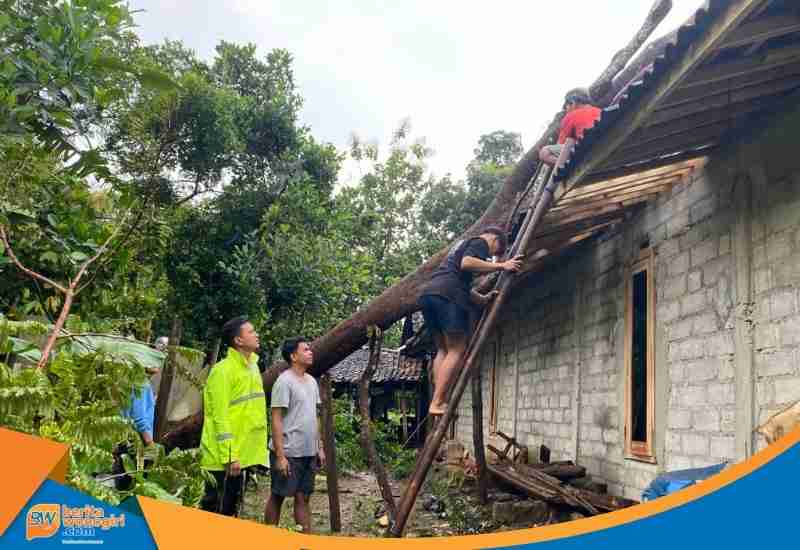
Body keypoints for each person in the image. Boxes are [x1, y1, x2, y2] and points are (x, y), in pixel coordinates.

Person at [418, 226, 523, 416]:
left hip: (430, 294)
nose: (490, 255)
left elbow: (459, 281)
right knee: (457, 349)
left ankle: (438, 398)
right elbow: (467, 264)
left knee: (443, 349)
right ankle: (438, 401)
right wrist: (502, 265)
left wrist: (482, 300)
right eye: (494, 251)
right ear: (494, 239)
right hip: (448, 297)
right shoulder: (480, 242)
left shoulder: (458, 247)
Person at [199, 316, 267, 517]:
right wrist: (230, 456)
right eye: (251, 332)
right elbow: (219, 417)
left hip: (241, 456)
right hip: (222, 459)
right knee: (216, 511)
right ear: (238, 340)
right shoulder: (222, 371)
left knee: (231, 511)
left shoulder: (253, 367)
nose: (256, 335)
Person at [264, 337, 325, 533]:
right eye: (305, 350)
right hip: (288, 450)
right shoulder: (284, 381)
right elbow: (276, 418)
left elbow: (314, 417)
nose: (310, 352)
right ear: (293, 356)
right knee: (278, 495)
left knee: (303, 496)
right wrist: (280, 456)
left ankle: (304, 538)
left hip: (308, 451)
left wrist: (319, 447)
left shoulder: (311, 382)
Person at [113, 362, 160, 491]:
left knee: (120, 488)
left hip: (123, 440)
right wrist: (150, 444)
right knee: (133, 488)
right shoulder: (141, 383)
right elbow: (139, 418)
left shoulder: (128, 378)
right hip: (136, 443)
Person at [539, 87, 602, 167]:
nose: (566, 110)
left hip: (583, 150)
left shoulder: (571, 116)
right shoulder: (599, 111)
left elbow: (563, 145)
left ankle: (568, 165)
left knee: (544, 152)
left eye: (566, 106)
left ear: (573, 103)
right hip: (602, 143)